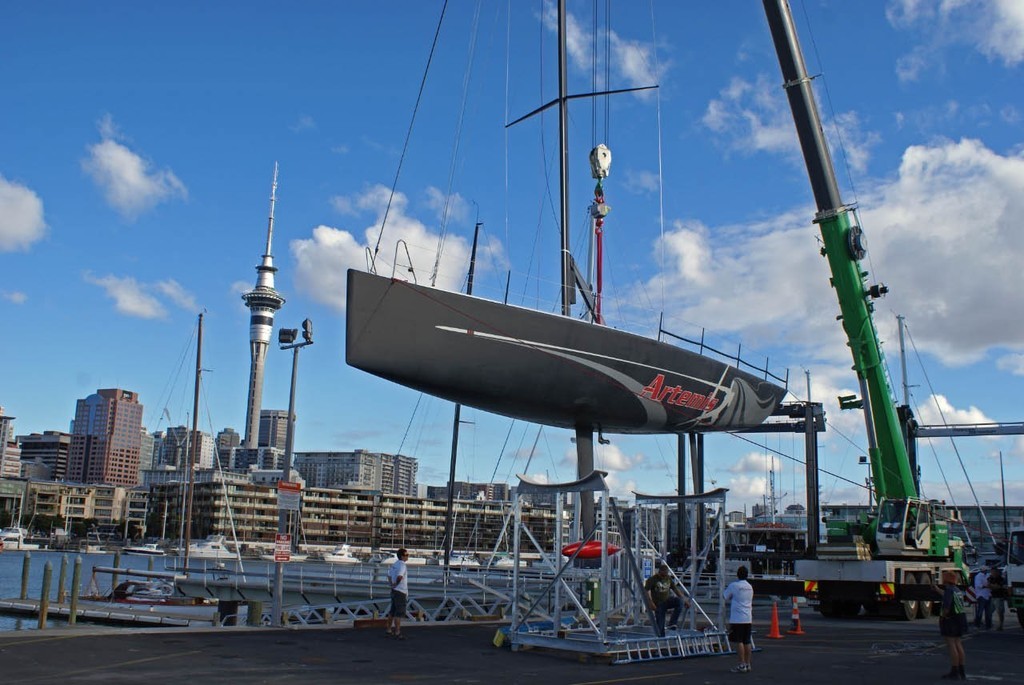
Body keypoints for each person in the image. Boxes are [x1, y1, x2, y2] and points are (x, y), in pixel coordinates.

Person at [937, 569, 968, 680]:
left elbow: (946, 607)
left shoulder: (949, 590)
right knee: (958, 643)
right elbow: (946, 595)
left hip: (951, 619)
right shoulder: (956, 589)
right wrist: (937, 589)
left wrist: (943, 617)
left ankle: (954, 670)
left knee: (951, 645)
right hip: (960, 618)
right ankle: (961, 670)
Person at [644, 561, 690, 635]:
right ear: (659, 572)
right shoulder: (652, 579)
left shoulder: (668, 578)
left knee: (679, 602)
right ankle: (660, 638)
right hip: (658, 603)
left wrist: (685, 600)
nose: (664, 576)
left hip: (667, 600)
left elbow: (675, 589)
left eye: (666, 574)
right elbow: (646, 591)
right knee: (660, 625)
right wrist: (650, 602)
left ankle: (672, 623)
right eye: (663, 575)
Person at [724, 565, 754, 674]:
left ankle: (741, 664)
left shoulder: (734, 585)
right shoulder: (750, 586)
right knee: (747, 641)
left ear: (737, 574)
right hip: (748, 617)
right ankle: (747, 663)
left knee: (739, 641)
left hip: (737, 618)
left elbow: (725, 596)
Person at [386, 548, 410, 639]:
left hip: (394, 591)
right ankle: (397, 631)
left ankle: (388, 629)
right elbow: (400, 576)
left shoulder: (394, 564)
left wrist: (391, 585)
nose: (408, 557)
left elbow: (388, 575)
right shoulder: (402, 565)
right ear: (402, 556)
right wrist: (396, 584)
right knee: (399, 612)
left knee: (392, 611)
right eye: (406, 555)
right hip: (401, 591)